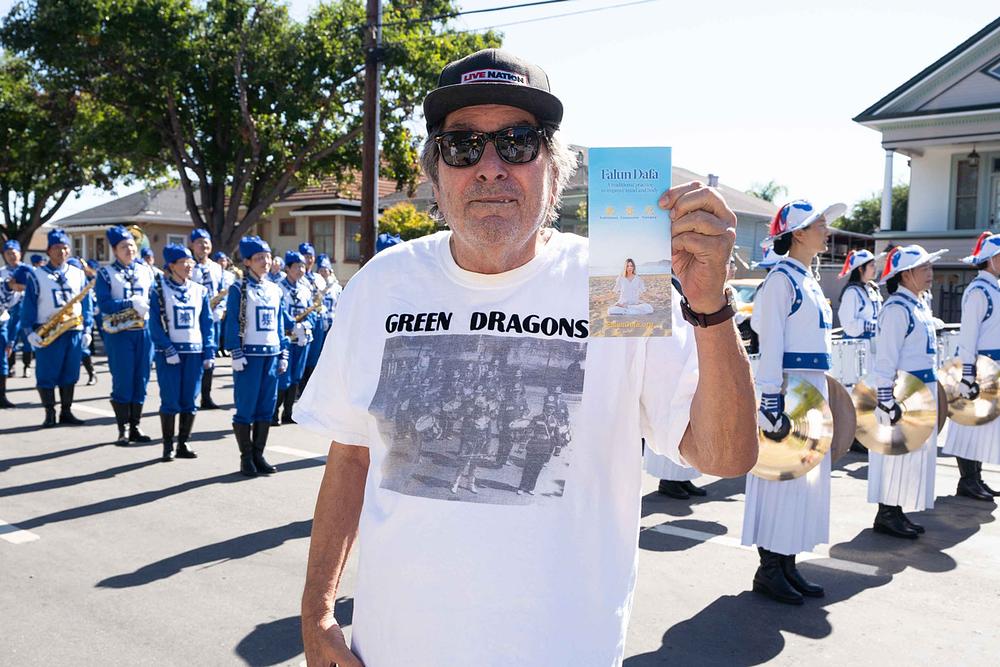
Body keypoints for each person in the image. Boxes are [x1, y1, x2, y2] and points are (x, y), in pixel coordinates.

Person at [296, 49, 757, 666]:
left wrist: (708, 304)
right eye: (462, 145)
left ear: (554, 171)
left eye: (517, 142)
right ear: (435, 175)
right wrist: (318, 612)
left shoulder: (616, 280)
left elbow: (725, 455)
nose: (490, 167)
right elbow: (350, 455)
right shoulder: (386, 283)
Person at [745, 199, 843, 605]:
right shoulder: (781, 281)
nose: (827, 230)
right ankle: (770, 570)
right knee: (782, 481)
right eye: (819, 224)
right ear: (798, 233)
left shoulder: (806, 279)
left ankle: (786, 563)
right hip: (788, 390)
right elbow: (770, 345)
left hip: (809, 388)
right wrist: (771, 403)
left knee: (802, 483)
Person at [868, 245, 947, 536]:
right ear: (906, 274)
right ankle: (887, 513)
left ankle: (896, 510)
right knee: (897, 453)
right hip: (904, 390)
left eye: (929, 267)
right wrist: (886, 399)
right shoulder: (896, 308)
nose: (930, 273)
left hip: (920, 389)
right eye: (924, 268)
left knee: (912, 455)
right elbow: (886, 358)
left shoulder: (917, 304)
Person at [224, 236, 290, 477]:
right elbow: (231, 322)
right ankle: (245, 458)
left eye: (267, 257)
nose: (265, 261)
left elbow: (280, 324)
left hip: (271, 355)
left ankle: (259, 454)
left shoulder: (274, 289)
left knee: (266, 407)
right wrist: (235, 350)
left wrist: (284, 351)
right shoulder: (238, 289)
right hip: (249, 357)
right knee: (246, 407)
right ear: (247, 261)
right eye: (259, 258)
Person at [942, 232, 1000, 500]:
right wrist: (968, 375)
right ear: (991, 260)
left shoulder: (993, 288)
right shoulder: (978, 290)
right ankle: (968, 481)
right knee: (969, 425)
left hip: (990, 366)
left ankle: (976, 478)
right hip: (977, 366)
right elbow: (968, 335)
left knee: (983, 425)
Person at [18, 229, 94, 427]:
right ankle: (49, 413)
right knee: (47, 373)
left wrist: (87, 329)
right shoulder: (37, 275)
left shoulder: (78, 273)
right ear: (49, 251)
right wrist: (29, 331)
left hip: (73, 329)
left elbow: (86, 304)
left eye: (65, 248)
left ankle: (66, 412)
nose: (62, 252)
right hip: (48, 330)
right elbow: (29, 305)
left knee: (71, 373)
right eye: (57, 248)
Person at [149, 244, 216, 461]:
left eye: (190, 262)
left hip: (194, 353)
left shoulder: (199, 290)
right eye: (183, 262)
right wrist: (167, 347)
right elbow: (154, 324)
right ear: (171, 266)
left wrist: (209, 351)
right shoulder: (159, 290)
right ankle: (167, 445)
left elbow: (206, 324)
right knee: (170, 400)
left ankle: (183, 443)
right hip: (170, 353)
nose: (188, 266)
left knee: (190, 400)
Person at [95, 226, 156, 445]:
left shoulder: (146, 270)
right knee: (123, 380)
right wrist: (130, 303)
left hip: (144, 332)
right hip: (119, 334)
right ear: (114, 250)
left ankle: (136, 426)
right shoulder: (105, 273)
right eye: (123, 246)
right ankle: (122, 429)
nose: (129, 249)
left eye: (131, 245)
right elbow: (104, 304)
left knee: (141, 379)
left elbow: (155, 296)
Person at [274, 250, 315, 424]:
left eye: (303, 267)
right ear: (288, 268)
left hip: (302, 338)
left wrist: (305, 327)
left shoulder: (306, 289)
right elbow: (279, 312)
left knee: (297, 376)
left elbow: (312, 312)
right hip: (285, 337)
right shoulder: (278, 288)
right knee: (284, 377)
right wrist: (293, 325)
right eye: (297, 266)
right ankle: (273, 412)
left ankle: (288, 412)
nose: (301, 270)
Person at [190, 228, 224, 409]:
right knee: (194, 356)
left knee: (210, 356)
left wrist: (221, 309)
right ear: (192, 245)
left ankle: (206, 396)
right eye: (199, 242)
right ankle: (192, 395)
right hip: (193, 319)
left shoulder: (216, 267)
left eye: (206, 242)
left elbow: (222, 291)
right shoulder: (187, 265)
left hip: (212, 317)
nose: (203, 246)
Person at [302, 253, 341, 393]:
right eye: (321, 269)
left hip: (331, 322)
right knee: (314, 354)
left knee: (328, 353)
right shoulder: (316, 283)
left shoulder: (335, 287)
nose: (324, 272)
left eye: (326, 269)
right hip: (317, 321)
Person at [298, 244, 328, 392]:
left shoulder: (318, 278)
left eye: (311, 257)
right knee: (303, 354)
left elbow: (324, 298)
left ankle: (309, 387)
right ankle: (299, 386)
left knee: (315, 354)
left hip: (318, 319)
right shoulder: (298, 277)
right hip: (304, 320)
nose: (308, 260)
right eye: (305, 256)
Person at [1, 239, 25, 405]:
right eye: (7, 253)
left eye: (14, 252)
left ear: (20, 253)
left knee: (6, 352)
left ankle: (2, 396)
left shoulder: (29, 272)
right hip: (4, 315)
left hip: (18, 315)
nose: (11, 256)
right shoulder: (2, 273)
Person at [70, 258, 98, 386]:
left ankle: (91, 373)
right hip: (64, 323)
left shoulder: (84, 284)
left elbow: (87, 308)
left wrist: (87, 328)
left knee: (83, 350)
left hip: (79, 322)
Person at [211, 250, 237, 356]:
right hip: (215, 305)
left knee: (226, 329)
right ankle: (215, 347)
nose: (223, 263)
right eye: (220, 260)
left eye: (225, 260)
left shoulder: (230, 275)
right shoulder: (212, 272)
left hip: (227, 304)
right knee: (216, 328)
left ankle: (225, 347)